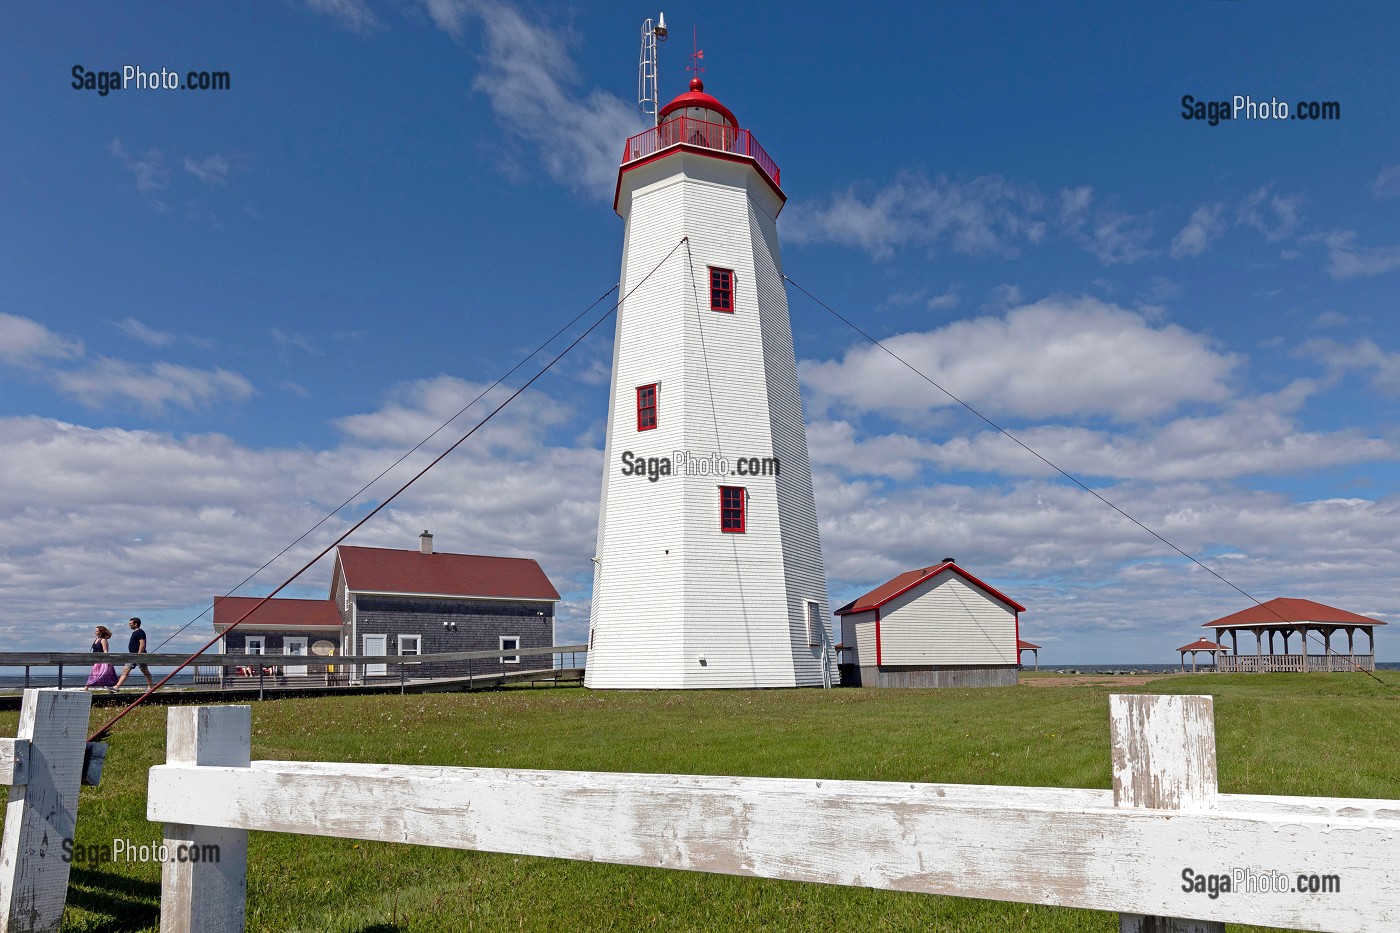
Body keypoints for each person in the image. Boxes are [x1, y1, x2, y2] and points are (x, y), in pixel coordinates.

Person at [113, 617, 153, 690]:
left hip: (139, 655)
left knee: (145, 671)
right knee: (125, 670)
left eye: (131, 623)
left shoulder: (140, 632)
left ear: (135, 624)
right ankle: (116, 687)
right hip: (132, 655)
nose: (129, 625)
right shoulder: (134, 632)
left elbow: (142, 643)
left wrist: (139, 654)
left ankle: (150, 687)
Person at [85, 625, 119, 691]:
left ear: (101, 632)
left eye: (97, 631)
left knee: (96, 674)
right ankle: (109, 687)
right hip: (96, 660)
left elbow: (105, 651)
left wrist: (107, 661)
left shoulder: (103, 640)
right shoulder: (96, 639)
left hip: (102, 661)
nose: (95, 632)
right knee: (97, 674)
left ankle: (86, 688)